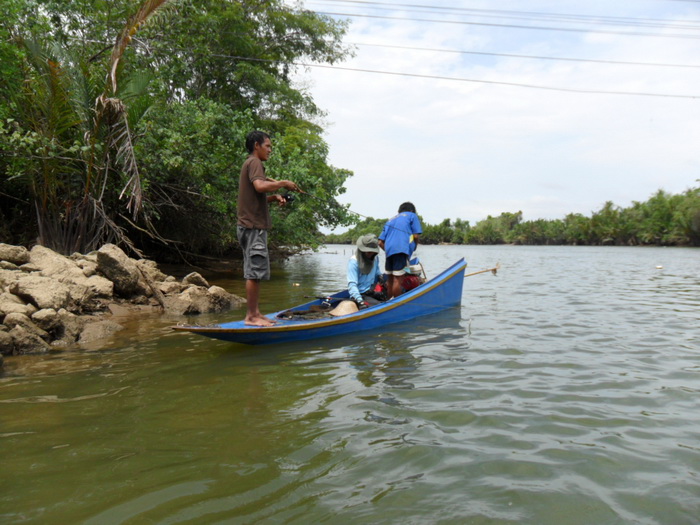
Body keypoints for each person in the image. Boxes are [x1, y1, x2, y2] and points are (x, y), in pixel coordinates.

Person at [237, 130, 300, 326]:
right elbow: (259, 186)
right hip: (253, 226)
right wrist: (283, 183)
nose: (270, 150)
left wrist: (274, 197)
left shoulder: (251, 163)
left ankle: (256, 312)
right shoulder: (254, 162)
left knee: (255, 272)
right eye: (268, 146)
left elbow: (258, 193)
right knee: (254, 273)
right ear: (256, 145)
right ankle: (251, 316)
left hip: (250, 226)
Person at [378, 202, 422, 298]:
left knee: (390, 279)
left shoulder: (390, 220)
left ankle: (389, 302)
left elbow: (380, 242)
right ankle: (397, 303)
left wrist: (389, 250)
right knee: (398, 279)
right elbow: (415, 235)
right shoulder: (412, 216)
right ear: (412, 210)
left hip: (389, 252)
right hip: (401, 251)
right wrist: (414, 245)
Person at [347, 234, 385, 309]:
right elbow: (352, 284)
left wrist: (381, 278)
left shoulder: (375, 258)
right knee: (377, 306)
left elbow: (377, 273)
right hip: (360, 294)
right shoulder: (354, 262)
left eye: (372, 251)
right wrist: (360, 301)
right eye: (367, 251)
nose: (370, 254)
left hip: (371, 290)